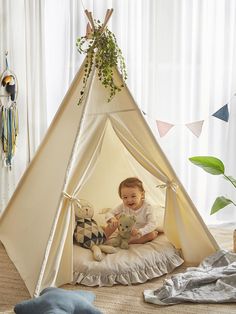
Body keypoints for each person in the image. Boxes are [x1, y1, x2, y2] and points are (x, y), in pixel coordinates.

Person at [104, 177, 158, 244]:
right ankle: (102, 238)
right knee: (112, 223)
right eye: (125, 197)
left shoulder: (148, 207)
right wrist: (112, 219)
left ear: (142, 195)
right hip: (125, 230)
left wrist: (140, 231)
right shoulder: (123, 205)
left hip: (138, 233)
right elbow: (109, 213)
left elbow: (153, 224)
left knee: (152, 234)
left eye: (133, 196)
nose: (129, 200)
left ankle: (128, 241)